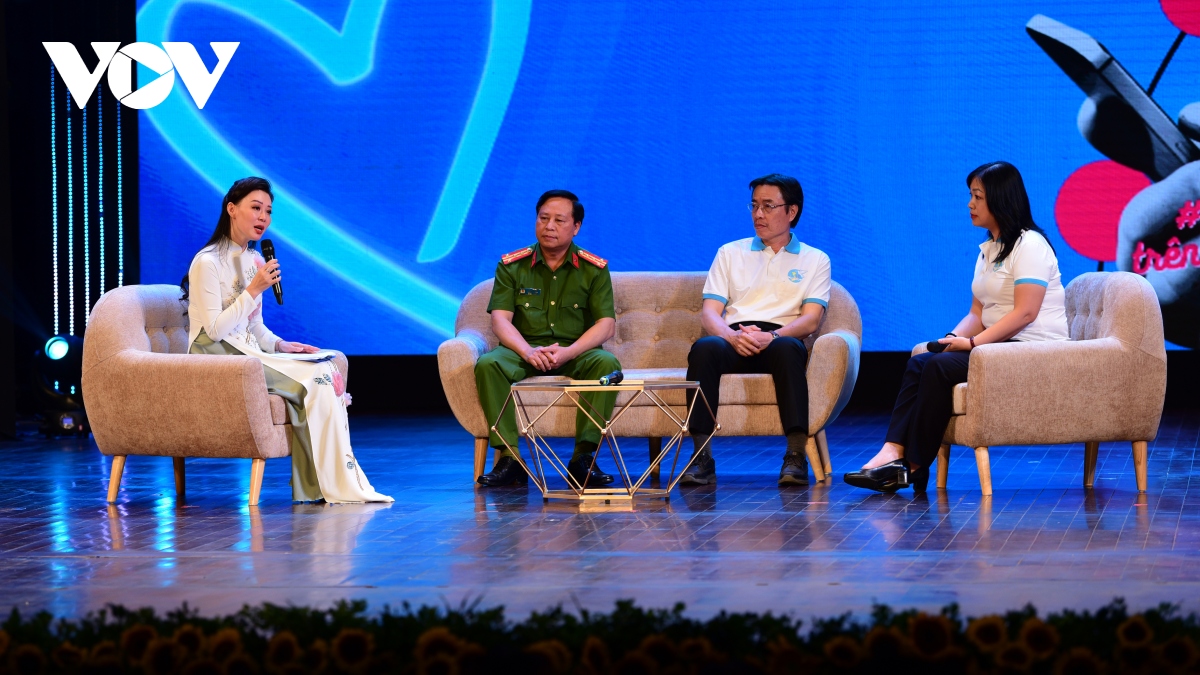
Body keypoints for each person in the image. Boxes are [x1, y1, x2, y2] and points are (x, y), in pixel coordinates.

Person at [844, 161, 1070, 493]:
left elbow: (1025, 313)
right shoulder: (989, 250)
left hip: (1033, 348)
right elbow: (977, 312)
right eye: (971, 196)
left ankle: (914, 466)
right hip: (1001, 347)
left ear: (1000, 199)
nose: (970, 204)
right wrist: (953, 337)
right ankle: (892, 451)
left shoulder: (1030, 245)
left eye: (978, 197)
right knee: (920, 362)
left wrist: (974, 344)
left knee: (938, 367)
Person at [181, 177, 392, 503]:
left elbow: (255, 326)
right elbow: (215, 330)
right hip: (213, 353)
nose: (263, 217)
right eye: (256, 208)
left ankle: (323, 484)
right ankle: (319, 485)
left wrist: (280, 346)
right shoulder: (206, 262)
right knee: (314, 378)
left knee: (325, 368)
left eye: (268, 211)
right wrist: (254, 289)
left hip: (245, 350)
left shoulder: (254, 260)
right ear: (231, 209)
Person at [681, 174, 831, 486]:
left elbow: (811, 320)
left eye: (768, 206)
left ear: (791, 211)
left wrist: (772, 336)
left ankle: (795, 455)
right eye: (754, 206)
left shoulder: (815, 259)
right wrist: (731, 336)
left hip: (779, 339)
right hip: (734, 338)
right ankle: (701, 457)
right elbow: (710, 313)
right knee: (704, 348)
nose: (758, 214)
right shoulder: (729, 253)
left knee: (789, 349)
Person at [475, 190, 621, 488]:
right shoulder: (512, 265)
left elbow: (606, 326)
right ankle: (510, 459)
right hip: (524, 350)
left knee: (606, 363)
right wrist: (528, 352)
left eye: (559, 220)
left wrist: (569, 353)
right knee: (489, 364)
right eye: (543, 218)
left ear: (576, 226)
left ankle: (583, 459)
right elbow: (500, 320)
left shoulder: (593, 268)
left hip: (574, 352)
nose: (549, 226)